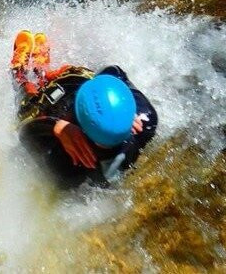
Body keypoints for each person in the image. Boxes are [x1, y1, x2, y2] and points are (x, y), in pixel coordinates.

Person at [10, 30, 158, 188]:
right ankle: (42, 71)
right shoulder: (146, 119)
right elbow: (114, 71)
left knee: (28, 97)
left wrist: (57, 127)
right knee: (71, 76)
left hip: (62, 96)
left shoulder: (66, 164)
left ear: (80, 126)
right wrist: (127, 110)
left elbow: (25, 132)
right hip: (79, 83)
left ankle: (22, 72)